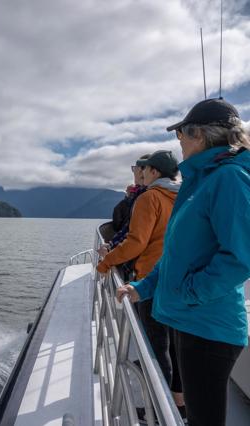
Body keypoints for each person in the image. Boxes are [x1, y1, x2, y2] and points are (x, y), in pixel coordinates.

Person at [117, 98, 250, 426]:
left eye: (181, 136)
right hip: (190, 317)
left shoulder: (229, 178)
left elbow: (241, 256)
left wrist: (190, 293)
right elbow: (176, 255)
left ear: (199, 135)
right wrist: (143, 288)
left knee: (205, 418)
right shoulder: (198, 181)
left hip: (208, 324)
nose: (180, 143)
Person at [97, 151, 184, 420]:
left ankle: (158, 412)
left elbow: (136, 242)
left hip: (151, 278)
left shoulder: (151, 197)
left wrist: (106, 262)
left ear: (155, 172)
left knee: (156, 348)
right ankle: (179, 405)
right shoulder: (184, 195)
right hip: (178, 279)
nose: (141, 174)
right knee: (174, 345)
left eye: (144, 170)